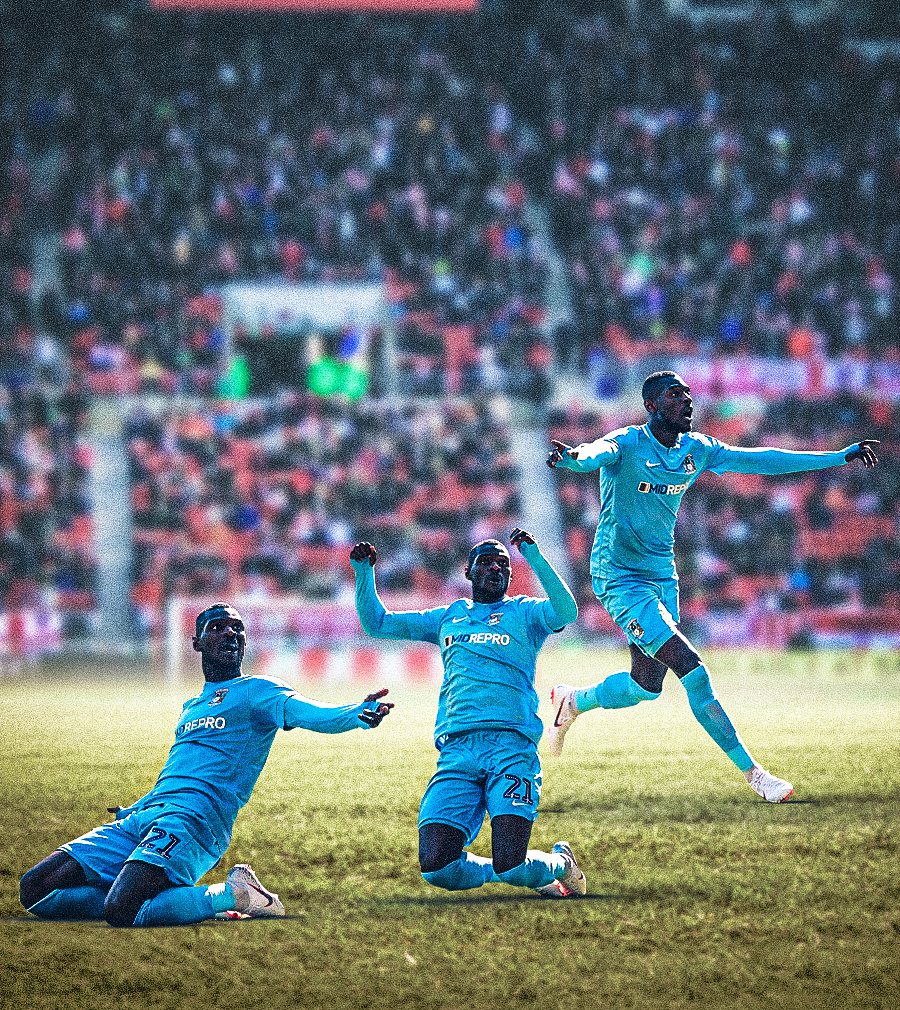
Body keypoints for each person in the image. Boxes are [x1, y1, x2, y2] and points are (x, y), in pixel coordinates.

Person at [545, 370, 880, 802]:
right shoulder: (627, 442)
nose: (687, 399)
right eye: (675, 394)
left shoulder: (697, 449)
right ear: (651, 406)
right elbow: (595, 453)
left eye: (688, 393)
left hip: (661, 576)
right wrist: (573, 458)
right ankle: (756, 774)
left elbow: (762, 460)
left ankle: (573, 701)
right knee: (693, 669)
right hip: (619, 578)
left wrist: (838, 457)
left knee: (645, 685)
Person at [20, 603, 393, 927]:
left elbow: (312, 713)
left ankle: (237, 894)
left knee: (123, 910)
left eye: (237, 628)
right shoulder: (191, 707)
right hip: (144, 818)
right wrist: (135, 807)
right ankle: (144, 892)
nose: (230, 633)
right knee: (35, 889)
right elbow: (179, 770)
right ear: (197, 643)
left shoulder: (259, 691)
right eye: (217, 627)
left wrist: (357, 714)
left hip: (195, 820)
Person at [350, 529, 586, 898]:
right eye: (486, 562)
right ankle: (507, 871)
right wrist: (364, 572)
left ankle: (561, 864)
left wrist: (534, 557)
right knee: (438, 868)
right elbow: (375, 623)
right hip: (457, 751)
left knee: (513, 864)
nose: (495, 568)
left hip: (511, 747)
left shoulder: (525, 613)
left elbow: (567, 611)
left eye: (503, 563)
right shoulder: (448, 616)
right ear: (468, 571)